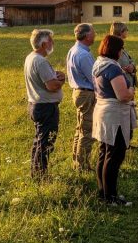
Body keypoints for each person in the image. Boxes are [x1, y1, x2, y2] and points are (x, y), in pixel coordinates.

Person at [91, 34, 137, 206]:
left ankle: (103, 193)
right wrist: (131, 89)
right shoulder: (113, 68)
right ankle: (111, 197)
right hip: (115, 115)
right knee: (114, 155)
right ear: (116, 50)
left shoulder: (98, 64)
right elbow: (123, 95)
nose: (122, 52)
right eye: (121, 48)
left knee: (104, 153)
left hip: (103, 111)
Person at [25, 29, 66, 178]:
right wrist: (61, 80)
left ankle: (36, 173)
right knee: (45, 143)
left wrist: (56, 75)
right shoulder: (40, 61)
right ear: (43, 44)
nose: (52, 43)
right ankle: (40, 176)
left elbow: (47, 79)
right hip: (46, 106)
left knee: (39, 141)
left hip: (36, 104)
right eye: (50, 41)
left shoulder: (31, 57)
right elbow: (52, 86)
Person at [67, 23, 97, 171]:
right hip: (86, 93)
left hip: (78, 92)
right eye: (93, 33)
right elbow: (93, 77)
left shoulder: (74, 50)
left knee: (80, 129)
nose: (95, 35)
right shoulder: (83, 54)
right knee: (87, 130)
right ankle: (83, 165)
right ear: (86, 36)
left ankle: (77, 161)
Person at [109, 21, 138, 89]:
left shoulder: (121, 46)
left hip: (128, 84)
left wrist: (132, 66)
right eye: (126, 29)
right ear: (121, 31)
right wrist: (122, 69)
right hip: (121, 85)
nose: (128, 31)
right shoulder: (112, 47)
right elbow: (110, 65)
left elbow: (130, 59)